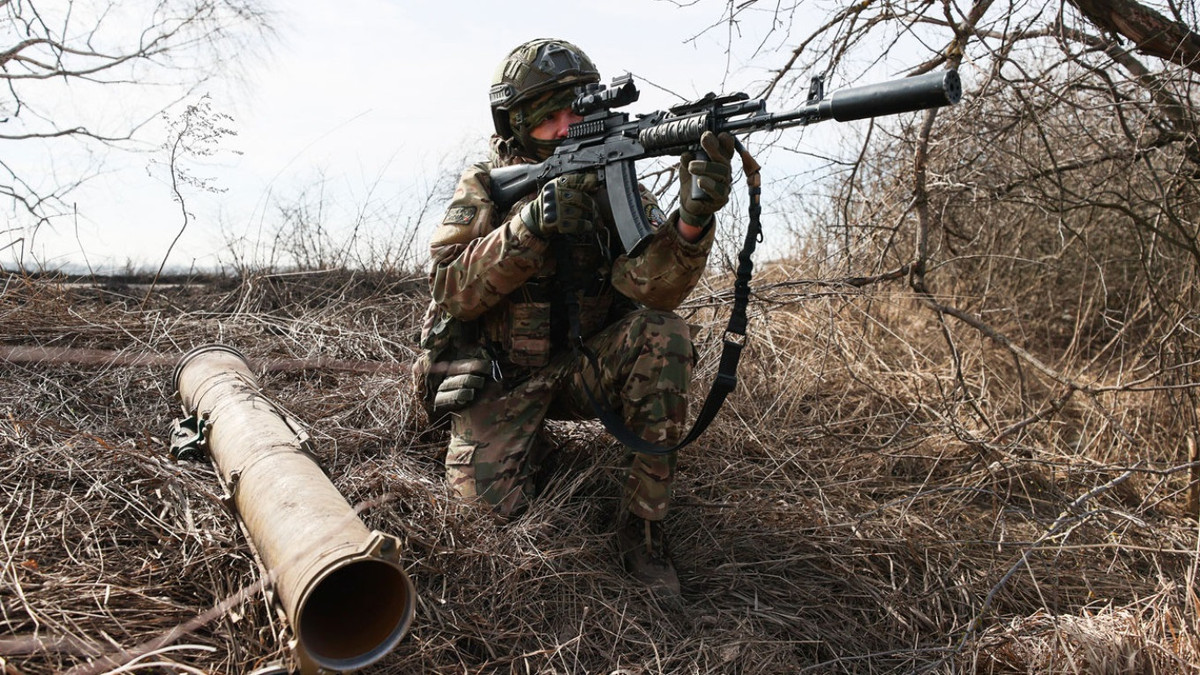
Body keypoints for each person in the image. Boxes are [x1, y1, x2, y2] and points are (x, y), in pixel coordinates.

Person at [414, 37, 735, 594]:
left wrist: (691, 221)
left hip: (583, 369)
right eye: (549, 116)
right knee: (483, 531)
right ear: (515, 123)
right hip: (501, 382)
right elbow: (451, 290)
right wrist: (530, 227)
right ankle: (530, 446)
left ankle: (644, 533)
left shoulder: (614, 177)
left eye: (577, 109)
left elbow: (655, 291)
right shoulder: (488, 186)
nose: (566, 125)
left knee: (663, 333)